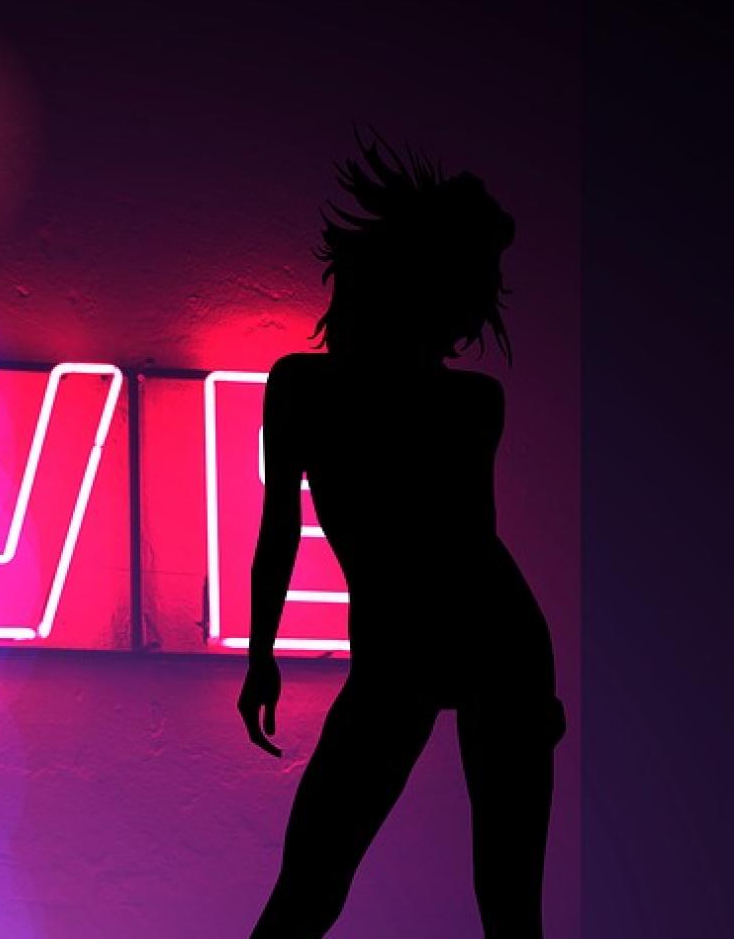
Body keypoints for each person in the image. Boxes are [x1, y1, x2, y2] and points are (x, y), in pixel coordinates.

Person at [237, 138, 564, 937]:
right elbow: (286, 527)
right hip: (448, 645)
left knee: (489, 904)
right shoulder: (441, 400)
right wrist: (259, 652)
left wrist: (262, 654)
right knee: (321, 883)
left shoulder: (321, 389)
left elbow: (294, 526)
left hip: (463, 645)